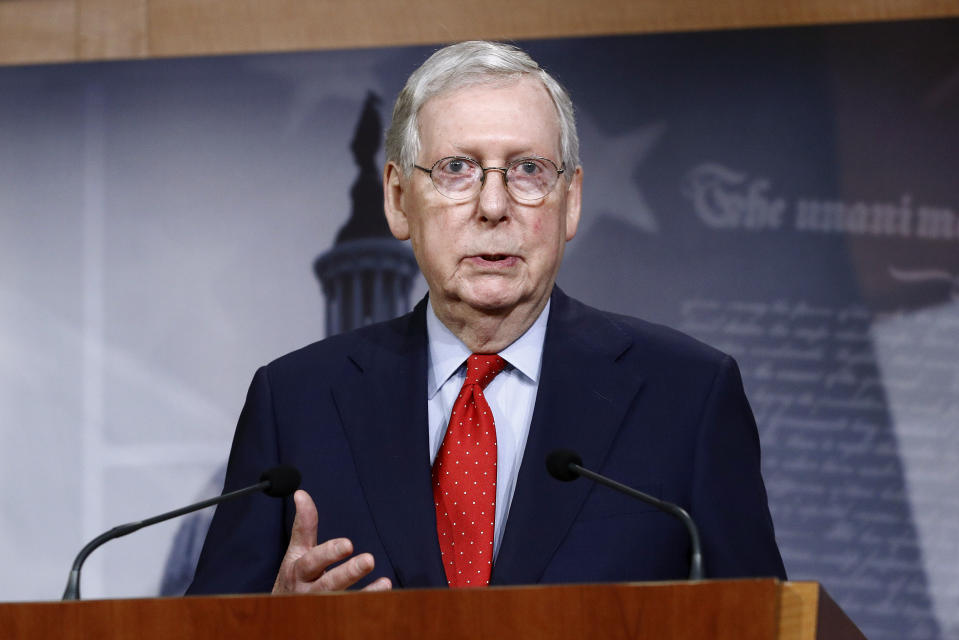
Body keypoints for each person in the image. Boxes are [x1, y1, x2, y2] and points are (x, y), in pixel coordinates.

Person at [187, 40, 785, 595]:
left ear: (570, 202)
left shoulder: (687, 396)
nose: (493, 206)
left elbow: (764, 624)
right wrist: (268, 625)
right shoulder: (295, 403)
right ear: (398, 200)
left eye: (528, 170)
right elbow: (206, 627)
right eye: (456, 169)